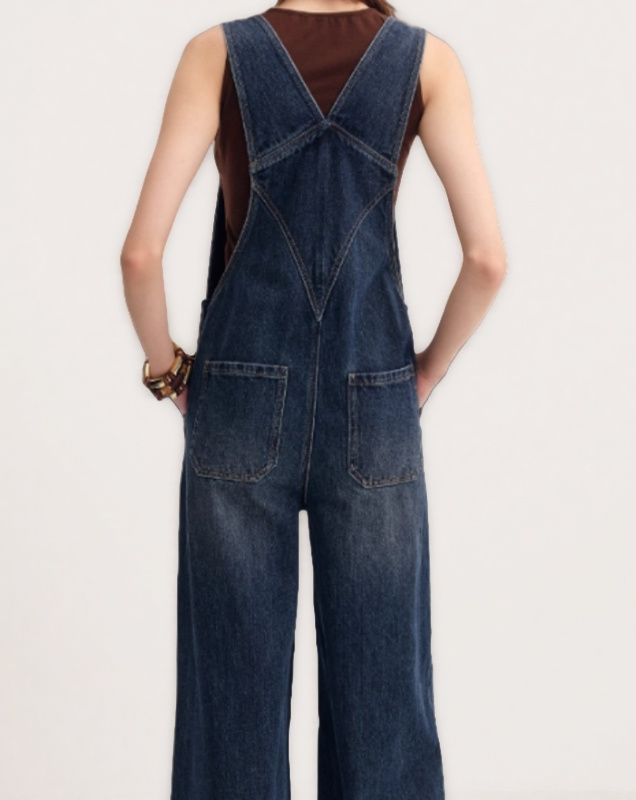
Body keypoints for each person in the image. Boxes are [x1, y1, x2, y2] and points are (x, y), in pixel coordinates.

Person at [121, 1, 507, 797]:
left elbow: (139, 255)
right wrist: (425, 373)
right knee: (384, 703)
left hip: (237, 400)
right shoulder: (425, 62)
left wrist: (169, 374)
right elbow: (487, 260)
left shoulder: (217, 53)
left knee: (232, 704)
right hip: (376, 402)